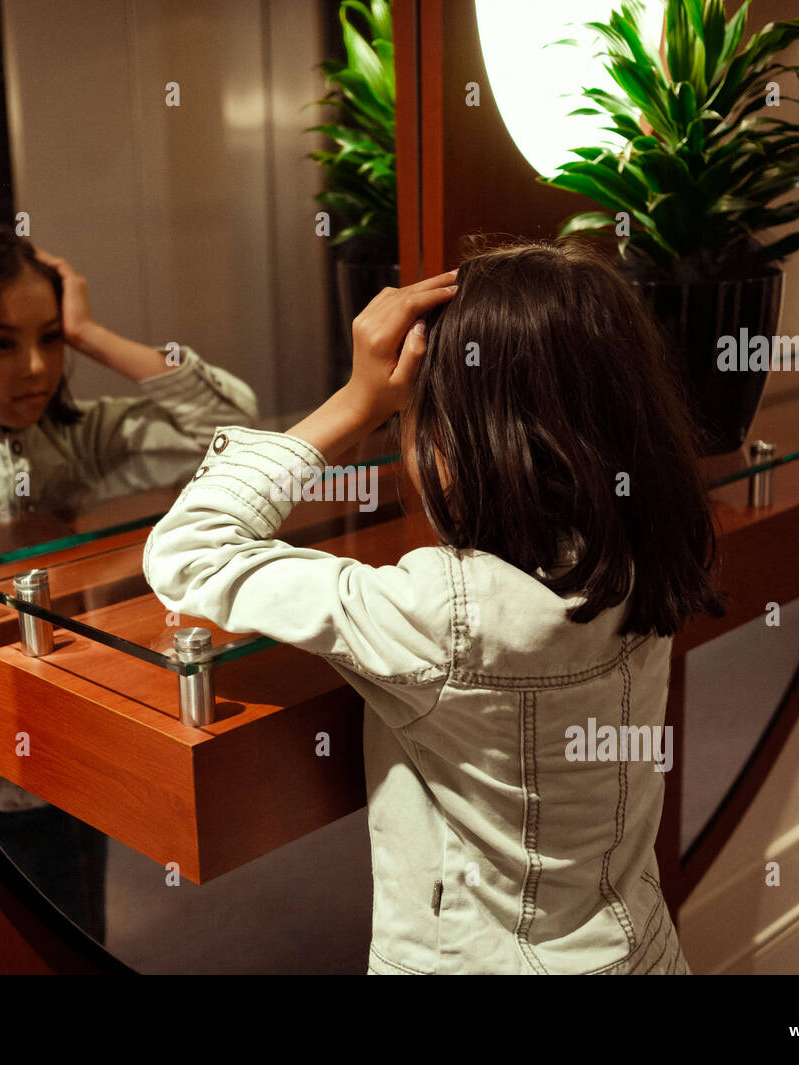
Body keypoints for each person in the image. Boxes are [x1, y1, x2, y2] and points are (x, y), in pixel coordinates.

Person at [142, 238, 724, 974]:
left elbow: (187, 554)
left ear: (461, 439)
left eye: (411, 415)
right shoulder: (646, 552)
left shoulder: (439, 612)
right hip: (639, 946)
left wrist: (354, 401)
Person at [0, 219, 260, 944]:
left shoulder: (72, 434)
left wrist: (93, 334)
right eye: (2, 340)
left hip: (54, 763)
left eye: (50, 340)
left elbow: (235, 421)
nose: (36, 369)